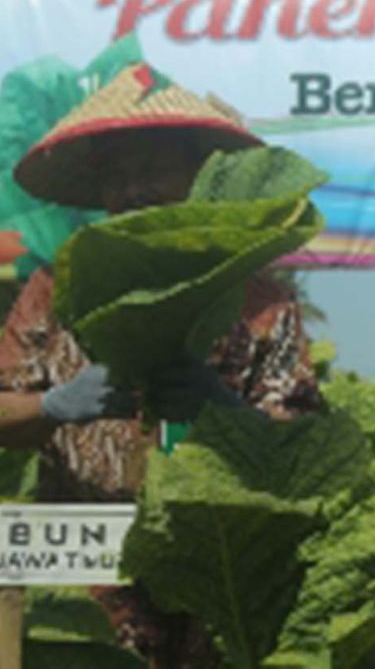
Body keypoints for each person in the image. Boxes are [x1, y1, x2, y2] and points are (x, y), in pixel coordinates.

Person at [0, 62, 323, 665]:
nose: (134, 191)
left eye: (152, 170)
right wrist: (51, 406)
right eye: (117, 177)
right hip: (87, 594)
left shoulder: (258, 299)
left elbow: (305, 452)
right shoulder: (55, 288)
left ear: (199, 175)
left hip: (222, 590)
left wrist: (225, 413)